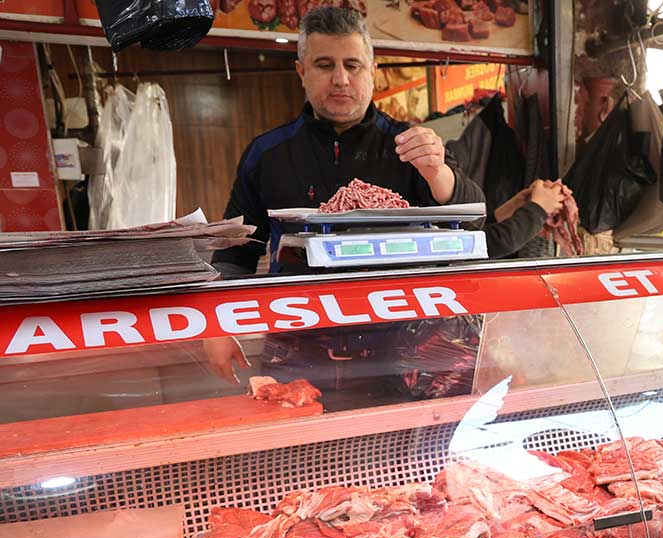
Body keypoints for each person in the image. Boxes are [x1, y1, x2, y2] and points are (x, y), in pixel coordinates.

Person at [203, 7, 487, 406]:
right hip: (298, 346)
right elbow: (237, 249)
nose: (340, 79)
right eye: (324, 65)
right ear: (301, 72)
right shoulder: (268, 154)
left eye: (352, 65)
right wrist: (217, 323)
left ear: (373, 70)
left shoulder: (409, 145)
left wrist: (438, 173)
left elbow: (474, 216)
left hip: (399, 349)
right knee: (298, 458)